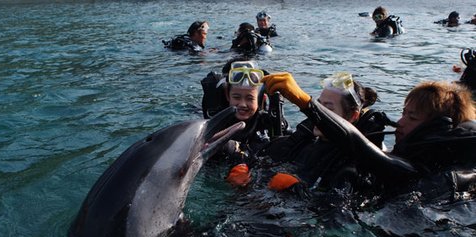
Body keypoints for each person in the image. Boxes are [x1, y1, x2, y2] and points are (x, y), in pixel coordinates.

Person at [262, 73, 476, 196]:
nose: (400, 122)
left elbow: (358, 145)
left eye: (412, 118)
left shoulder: (423, 172)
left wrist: (305, 102)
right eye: (403, 113)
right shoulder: (410, 157)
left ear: (436, 127)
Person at [261, 72, 393, 191]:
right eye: (319, 105)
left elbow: (331, 210)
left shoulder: (353, 166)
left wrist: (294, 189)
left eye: (328, 109)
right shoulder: (304, 141)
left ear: (353, 116)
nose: (318, 115)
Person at [204, 60, 290, 186]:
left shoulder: (268, 124)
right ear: (228, 96)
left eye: (250, 98)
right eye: (237, 97)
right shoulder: (216, 123)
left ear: (261, 99)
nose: (242, 104)